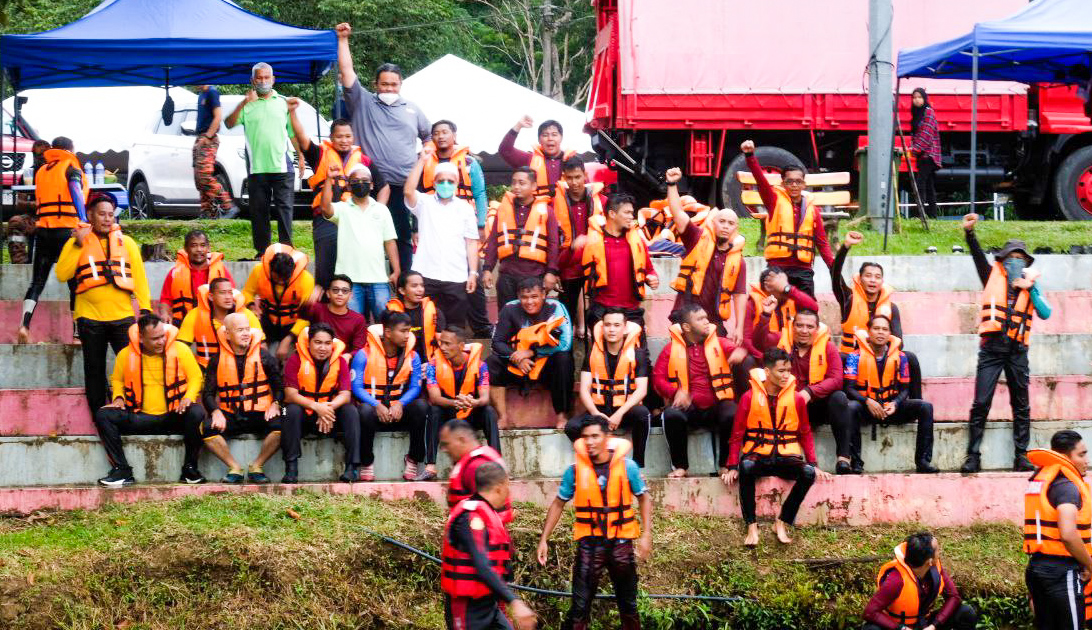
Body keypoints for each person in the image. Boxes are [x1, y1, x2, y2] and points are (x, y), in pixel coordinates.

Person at [537, 416, 651, 630]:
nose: (589, 442)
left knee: (629, 604)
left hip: (621, 544)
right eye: (585, 437)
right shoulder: (574, 471)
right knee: (579, 607)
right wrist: (544, 539)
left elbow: (644, 498)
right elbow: (558, 503)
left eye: (595, 436)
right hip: (589, 545)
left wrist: (646, 535)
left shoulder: (628, 467)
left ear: (607, 438)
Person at [336, 22, 431, 273]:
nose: (389, 89)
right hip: (369, 186)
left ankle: (403, 286)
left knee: (401, 238)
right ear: (376, 84)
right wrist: (343, 40)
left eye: (394, 84)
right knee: (367, 238)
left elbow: (428, 135)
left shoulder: (412, 109)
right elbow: (347, 72)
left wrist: (428, 151)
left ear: (400, 85)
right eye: (384, 84)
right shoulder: (363, 102)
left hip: (403, 186)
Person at [960, 213, 1052, 474]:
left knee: (1021, 403)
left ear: (1025, 263)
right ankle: (973, 455)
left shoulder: (1032, 286)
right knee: (981, 402)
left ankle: (1021, 455)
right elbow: (978, 257)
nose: (1015, 261)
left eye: (1020, 258)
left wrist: (1030, 288)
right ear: (1002, 261)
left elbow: (1046, 312)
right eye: (1011, 257)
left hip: (1018, 351)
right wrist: (970, 234)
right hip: (992, 349)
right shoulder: (991, 276)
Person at [723, 348, 831, 547]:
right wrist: (731, 466)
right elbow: (737, 434)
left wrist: (813, 463)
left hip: (785, 457)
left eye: (788, 370)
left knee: (808, 473)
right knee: (745, 467)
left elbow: (805, 432)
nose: (786, 375)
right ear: (767, 371)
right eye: (781, 371)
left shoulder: (797, 398)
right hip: (758, 456)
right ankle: (751, 526)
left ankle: (782, 521)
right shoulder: (749, 397)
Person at [55, 193, 151, 414]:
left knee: (132, 366)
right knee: (94, 370)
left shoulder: (126, 242)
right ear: (90, 215)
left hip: (123, 317)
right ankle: (101, 415)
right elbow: (62, 274)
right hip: (90, 319)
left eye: (111, 214)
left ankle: (135, 409)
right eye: (102, 214)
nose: (107, 219)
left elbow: (139, 277)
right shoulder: (75, 241)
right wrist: (77, 245)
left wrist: (145, 308)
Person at [93, 314, 207, 486]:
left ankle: (190, 469)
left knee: (197, 412)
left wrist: (188, 398)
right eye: (155, 338)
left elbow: (196, 377)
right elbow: (117, 379)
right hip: (139, 417)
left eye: (163, 336)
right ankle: (122, 470)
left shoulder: (181, 350)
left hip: (173, 416)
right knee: (103, 415)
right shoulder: (125, 354)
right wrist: (118, 397)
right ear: (141, 338)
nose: (161, 341)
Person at [289, 107, 388, 290]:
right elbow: (302, 137)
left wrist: (378, 210)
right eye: (339, 137)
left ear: (353, 137)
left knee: (352, 264)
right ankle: (324, 300)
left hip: (354, 217)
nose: (344, 141)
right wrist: (293, 113)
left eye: (348, 136)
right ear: (331, 138)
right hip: (326, 217)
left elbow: (384, 187)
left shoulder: (363, 160)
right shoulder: (320, 154)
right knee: (326, 262)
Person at [652, 303, 747, 478]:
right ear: (687, 327)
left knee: (733, 412)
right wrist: (675, 392)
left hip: (716, 406)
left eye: (706, 317)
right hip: (689, 407)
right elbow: (657, 379)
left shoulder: (718, 342)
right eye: (700, 319)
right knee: (671, 415)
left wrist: (739, 352)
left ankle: (725, 465)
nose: (706, 321)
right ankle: (680, 466)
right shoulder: (670, 350)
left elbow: (736, 349)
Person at [442, 462, 538, 630]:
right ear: (500, 488)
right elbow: (482, 565)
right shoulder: (471, 517)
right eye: (508, 486)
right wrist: (514, 601)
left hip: (488, 605)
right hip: (467, 610)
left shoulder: (487, 512)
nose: (509, 493)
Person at [755, 308, 850, 470]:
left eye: (809, 326)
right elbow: (758, 342)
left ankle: (844, 458)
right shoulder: (781, 342)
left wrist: (809, 392)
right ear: (793, 327)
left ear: (817, 329)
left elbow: (836, 380)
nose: (804, 331)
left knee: (839, 397)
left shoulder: (828, 348)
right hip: (786, 407)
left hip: (816, 407)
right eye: (799, 325)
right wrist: (765, 315)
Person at [843, 316, 938, 474]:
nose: (880, 332)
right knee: (851, 407)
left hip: (891, 408)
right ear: (869, 332)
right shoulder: (855, 357)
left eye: (885, 329)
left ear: (890, 334)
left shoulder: (901, 357)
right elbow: (849, 388)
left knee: (925, 407)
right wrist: (867, 401)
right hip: (867, 409)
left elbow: (905, 388)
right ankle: (856, 463)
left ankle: (923, 461)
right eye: (876, 328)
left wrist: (896, 403)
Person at [424, 119, 492, 338]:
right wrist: (416, 228)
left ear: (454, 134)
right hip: (436, 227)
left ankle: (481, 326)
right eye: (436, 133)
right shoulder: (426, 162)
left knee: (474, 274)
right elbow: (418, 196)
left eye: (445, 132)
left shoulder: (471, 162)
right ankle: (440, 326)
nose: (441, 136)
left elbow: (480, 194)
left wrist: (481, 223)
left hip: (466, 225)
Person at [740, 139, 834, 297]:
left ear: (804, 184)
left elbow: (822, 242)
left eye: (798, 182)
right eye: (790, 182)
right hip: (777, 267)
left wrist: (833, 267)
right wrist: (750, 156)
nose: (794, 185)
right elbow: (761, 181)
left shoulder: (812, 209)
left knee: (808, 308)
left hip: (803, 269)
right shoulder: (774, 201)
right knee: (773, 308)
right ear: (783, 184)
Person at [17, 136, 87, 345]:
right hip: (66, 232)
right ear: (69, 149)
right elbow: (75, 191)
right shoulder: (70, 168)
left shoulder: (42, 171)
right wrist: (83, 219)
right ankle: (76, 335)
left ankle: (24, 325)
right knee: (75, 285)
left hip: (44, 232)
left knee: (37, 282)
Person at [664, 167, 747, 342]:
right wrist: (672, 184)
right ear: (713, 223)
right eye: (721, 221)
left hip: (714, 323)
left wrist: (740, 327)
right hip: (686, 319)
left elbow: (739, 295)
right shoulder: (696, 237)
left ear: (735, 228)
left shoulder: (738, 260)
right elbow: (678, 214)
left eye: (730, 223)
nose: (725, 226)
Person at [200, 313, 284, 484]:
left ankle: (257, 466)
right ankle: (235, 468)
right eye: (240, 330)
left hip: (261, 413)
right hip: (230, 414)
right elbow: (208, 393)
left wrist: (276, 404)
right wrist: (215, 411)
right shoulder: (216, 360)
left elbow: (279, 387)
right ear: (227, 334)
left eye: (247, 329)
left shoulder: (265, 356)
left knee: (284, 424)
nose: (246, 333)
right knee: (206, 427)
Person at [225, 63, 297, 257]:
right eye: (259, 78)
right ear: (252, 81)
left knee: (285, 210)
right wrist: (243, 102)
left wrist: (302, 155)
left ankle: (286, 250)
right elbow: (228, 123)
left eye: (267, 77)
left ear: (273, 79)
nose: (264, 81)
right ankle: (262, 252)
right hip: (257, 168)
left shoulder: (283, 102)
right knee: (259, 212)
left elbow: (292, 133)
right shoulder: (247, 105)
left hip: (282, 166)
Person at [404, 144, 480, 328]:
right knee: (426, 326)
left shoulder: (465, 208)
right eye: (441, 180)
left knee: (454, 329)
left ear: (456, 184)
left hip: (456, 276)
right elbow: (408, 191)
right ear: (435, 182)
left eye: (450, 181)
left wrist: (473, 273)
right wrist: (422, 160)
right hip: (426, 275)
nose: (446, 184)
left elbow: (471, 243)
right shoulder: (425, 203)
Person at [1023, 430, 1092, 630]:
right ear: (1065, 457)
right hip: (1062, 573)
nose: (1086, 460)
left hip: (1036, 569)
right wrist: (1089, 565)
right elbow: (1068, 535)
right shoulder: (1067, 487)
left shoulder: (1045, 481)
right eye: (1081, 454)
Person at [565, 310, 651, 467]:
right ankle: (598, 462)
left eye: (617, 325)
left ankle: (638, 465)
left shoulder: (638, 354)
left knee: (643, 415)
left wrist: (620, 413)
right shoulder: (592, 353)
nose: (611, 329)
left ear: (625, 328)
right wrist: (596, 414)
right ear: (602, 327)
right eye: (607, 325)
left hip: (625, 410)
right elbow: (584, 389)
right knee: (572, 427)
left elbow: (642, 390)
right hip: (599, 409)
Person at [351, 310, 430, 482]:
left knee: (422, 406)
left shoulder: (413, 357)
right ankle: (366, 461)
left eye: (409, 331)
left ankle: (413, 458)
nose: (407, 335)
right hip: (374, 412)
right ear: (387, 332)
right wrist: (376, 405)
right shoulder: (362, 355)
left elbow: (415, 388)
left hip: (398, 412)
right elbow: (356, 388)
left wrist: (400, 404)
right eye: (403, 331)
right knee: (363, 410)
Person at [486, 277, 574, 429]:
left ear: (543, 295)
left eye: (534, 297)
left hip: (547, 366)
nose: (529, 302)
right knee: (491, 362)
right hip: (518, 366)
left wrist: (532, 352)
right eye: (524, 297)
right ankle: (503, 417)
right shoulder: (509, 308)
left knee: (564, 359)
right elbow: (497, 342)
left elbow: (566, 344)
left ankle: (562, 416)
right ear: (518, 297)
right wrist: (518, 359)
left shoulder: (556, 307)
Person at [319, 162, 399, 320]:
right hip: (349, 282)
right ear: (348, 186)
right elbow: (325, 208)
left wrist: (396, 270)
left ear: (371, 185)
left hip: (379, 280)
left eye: (364, 180)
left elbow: (390, 242)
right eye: (355, 181)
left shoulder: (382, 210)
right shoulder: (342, 208)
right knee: (352, 326)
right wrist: (328, 179)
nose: (360, 183)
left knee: (385, 325)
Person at [281, 323, 360, 483]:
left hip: (330, 418)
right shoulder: (295, 360)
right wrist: (317, 408)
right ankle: (291, 468)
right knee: (291, 410)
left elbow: (345, 395)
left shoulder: (340, 362)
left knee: (350, 410)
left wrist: (326, 410)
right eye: (318, 342)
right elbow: (290, 395)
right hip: (305, 417)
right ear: (309, 342)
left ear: (332, 344)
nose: (323, 348)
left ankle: (352, 467)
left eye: (327, 343)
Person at [424, 326, 500, 481]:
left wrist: (473, 402)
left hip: (471, 414)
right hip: (448, 415)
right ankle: (430, 466)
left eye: (447, 344)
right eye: (441, 343)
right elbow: (435, 397)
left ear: (460, 346)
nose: (442, 347)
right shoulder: (433, 365)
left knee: (489, 411)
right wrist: (456, 403)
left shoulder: (480, 366)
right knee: (434, 410)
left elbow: (485, 398)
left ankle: (497, 464)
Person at [863, 532, 978, 630]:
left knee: (966, 612)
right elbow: (870, 612)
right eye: (938, 549)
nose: (940, 551)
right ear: (929, 561)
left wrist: (934, 625)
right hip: (899, 626)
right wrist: (900, 628)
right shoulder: (896, 579)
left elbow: (954, 597)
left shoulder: (935, 569)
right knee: (870, 628)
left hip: (926, 624)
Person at [481, 167, 560, 307]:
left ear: (534, 186)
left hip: (535, 275)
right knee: (507, 317)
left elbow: (554, 244)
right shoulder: (503, 210)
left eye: (522, 183)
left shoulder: (547, 211)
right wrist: (487, 269)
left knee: (533, 320)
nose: (516, 187)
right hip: (507, 275)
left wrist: (551, 272)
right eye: (514, 182)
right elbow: (493, 241)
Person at [581, 193, 658, 330]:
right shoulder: (593, 241)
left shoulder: (637, 241)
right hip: (602, 311)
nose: (631, 217)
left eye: (632, 213)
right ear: (612, 213)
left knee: (638, 352)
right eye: (627, 212)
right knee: (602, 352)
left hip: (632, 311)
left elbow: (649, 269)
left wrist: (652, 277)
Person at [554, 157, 605, 332]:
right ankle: (565, 354)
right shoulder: (555, 204)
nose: (574, 182)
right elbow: (552, 241)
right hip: (568, 266)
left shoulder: (602, 201)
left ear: (585, 175)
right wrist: (553, 271)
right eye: (569, 178)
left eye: (577, 177)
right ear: (564, 178)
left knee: (599, 315)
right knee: (565, 318)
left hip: (595, 267)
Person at [240, 243, 315, 360]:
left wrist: (288, 339)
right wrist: (251, 306)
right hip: (266, 319)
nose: (280, 282)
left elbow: (306, 316)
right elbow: (247, 293)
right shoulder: (258, 271)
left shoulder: (306, 279)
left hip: (293, 323)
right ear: (269, 268)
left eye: (284, 279)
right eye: (276, 279)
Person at [177, 277, 261, 367]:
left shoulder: (246, 315)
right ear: (211, 297)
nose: (228, 297)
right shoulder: (195, 315)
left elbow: (261, 346)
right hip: (205, 370)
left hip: (239, 370)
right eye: (222, 293)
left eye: (230, 293)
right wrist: (193, 368)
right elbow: (181, 348)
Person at [440, 419, 511, 521]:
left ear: (462, 440)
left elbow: (488, 511)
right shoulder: (476, 459)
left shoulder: (475, 466)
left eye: (446, 444)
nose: (444, 450)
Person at [158, 229, 232, 326]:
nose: (199, 249)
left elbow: (233, 296)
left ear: (208, 248)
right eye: (194, 245)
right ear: (186, 249)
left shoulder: (221, 271)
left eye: (202, 245)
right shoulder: (174, 273)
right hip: (183, 324)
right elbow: (165, 300)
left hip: (215, 324)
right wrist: (165, 314)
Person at [743, 267, 819, 362]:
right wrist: (767, 360)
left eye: (785, 284)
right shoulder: (752, 303)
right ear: (768, 286)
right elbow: (747, 341)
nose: (784, 288)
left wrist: (788, 289)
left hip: (789, 355)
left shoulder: (791, 298)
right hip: (764, 356)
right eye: (780, 285)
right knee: (747, 361)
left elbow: (814, 308)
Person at [499, 116, 576, 196]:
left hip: (564, 207)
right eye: (545, 135)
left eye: (554, 135)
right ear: (539, 140)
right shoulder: (529, 159)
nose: (550, 138)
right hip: (538, 207)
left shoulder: (572, 160)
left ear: (561, 138)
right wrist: (518, 126)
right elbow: (505, 150)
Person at [192, 85, 236, 219]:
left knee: (205, 176)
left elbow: (218, 117)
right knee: (199, 179)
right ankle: (206, 212)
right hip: (200, 137)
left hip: (208, 138)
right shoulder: (201, 94)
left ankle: (228, 206)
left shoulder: (212, 92)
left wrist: (208, 136)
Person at [299, 274, 367, 357]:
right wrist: (308, 302)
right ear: (328, 293)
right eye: (335, 290)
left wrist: (349, 356)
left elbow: (359, 349)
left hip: (342, 361)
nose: (340, 294)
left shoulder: (358, 319)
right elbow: (301, 315)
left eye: (345, 291)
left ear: (350, 296)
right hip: (316, 357)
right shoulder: (318, 309)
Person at [386, 270, 445, 364]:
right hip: (400, 364)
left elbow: (442, 342)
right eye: (414, 286)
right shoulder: (391, 313)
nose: (420, 289)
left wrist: (433, 363)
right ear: (402, 290)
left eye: (422, 285)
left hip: (428, 364)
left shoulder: (434, 311)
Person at [910, 87, 942, 219]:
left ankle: (921, 214)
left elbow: (926, 134)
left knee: (920, 184)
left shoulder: (928, 112)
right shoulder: (917, 113)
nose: (916, 100)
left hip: (928, 155)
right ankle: (933, 215)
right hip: (923, 155)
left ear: (924, 98)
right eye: (914, 97)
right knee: (928, 186)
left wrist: (915, 149)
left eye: (919, 97)